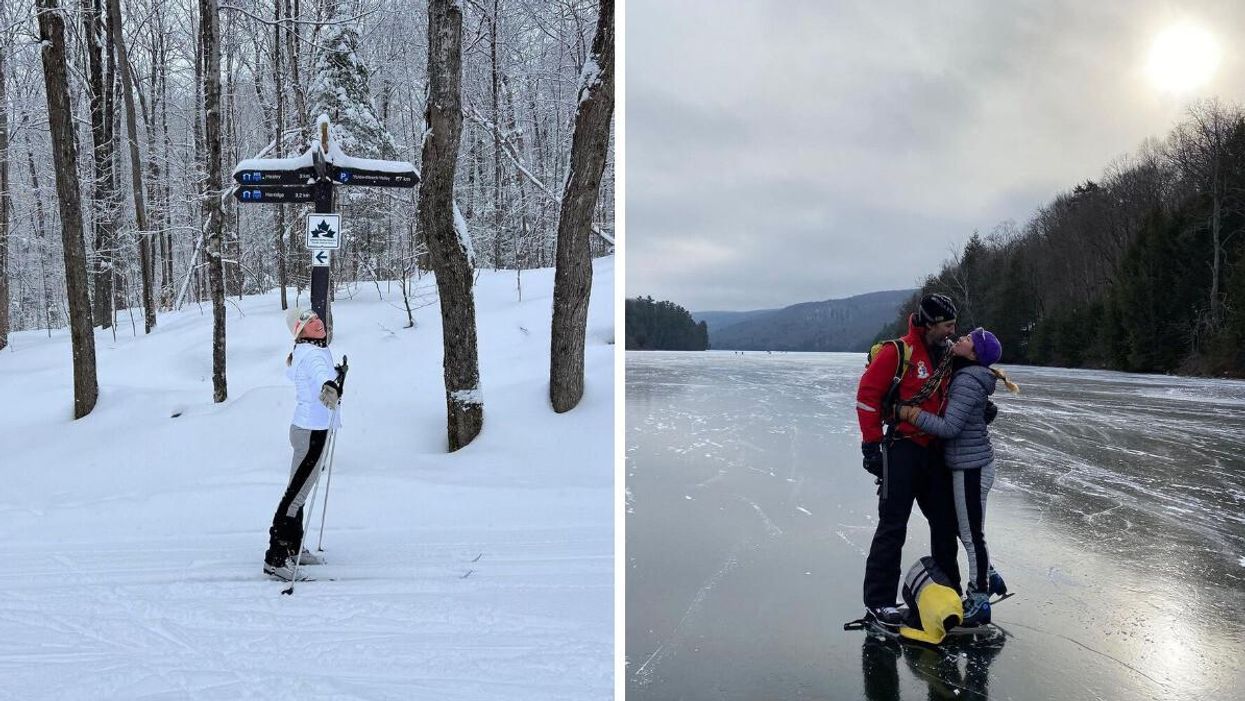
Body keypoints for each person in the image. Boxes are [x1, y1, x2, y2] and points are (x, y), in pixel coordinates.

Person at [898, 327, 1019, 625]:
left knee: (971, 534)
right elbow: (950, 345)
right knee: (961, 526)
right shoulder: (968, 370)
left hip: (971, 469)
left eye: (967, 340)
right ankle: (990, 575)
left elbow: (950, 427)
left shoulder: (967, 380)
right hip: (967, 464)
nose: (960, 338)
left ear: (974, 354)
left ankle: (979, 598)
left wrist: (910, 414)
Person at [856, 293, 961, 627]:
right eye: (946, 325)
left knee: (945, 525)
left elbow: (955, 397)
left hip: (934, 454)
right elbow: (867, 398)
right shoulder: (896, 353)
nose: (951, 331)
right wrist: (871, 445)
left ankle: (949, 592)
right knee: (892, 526)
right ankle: (880, 602)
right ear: (929, 324)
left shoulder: (946, 355)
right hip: (901, 451)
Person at [263, 307, 344, 580]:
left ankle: (294, 547)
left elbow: (321, 372)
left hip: (309, 429)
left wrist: (338, 376)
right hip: (311, 432)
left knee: (298, 492)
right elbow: (321, 375)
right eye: (310, 322)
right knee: (295, 496)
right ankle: (275, 558)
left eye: (317, 318)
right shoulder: (311, 354)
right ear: (301, 331)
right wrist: (330, 384)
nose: (318, 322)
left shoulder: (310, 350)